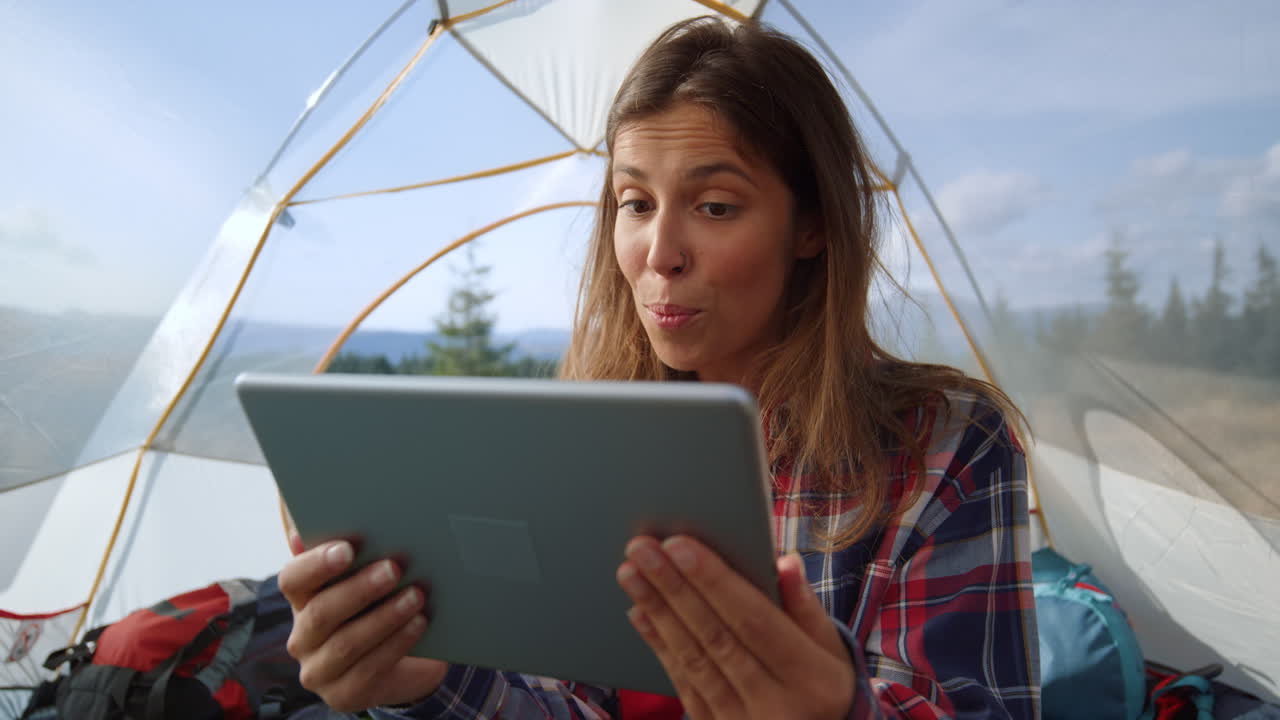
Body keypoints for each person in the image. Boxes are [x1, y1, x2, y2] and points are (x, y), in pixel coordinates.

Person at [278, 16, 1040, 720]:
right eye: (635, 203)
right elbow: (566, 703)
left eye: (714, 206)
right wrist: (424, 684)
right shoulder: (585, 437)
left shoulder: (948, 447)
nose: (659, 252)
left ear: (809, 226)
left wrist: (843, 710)